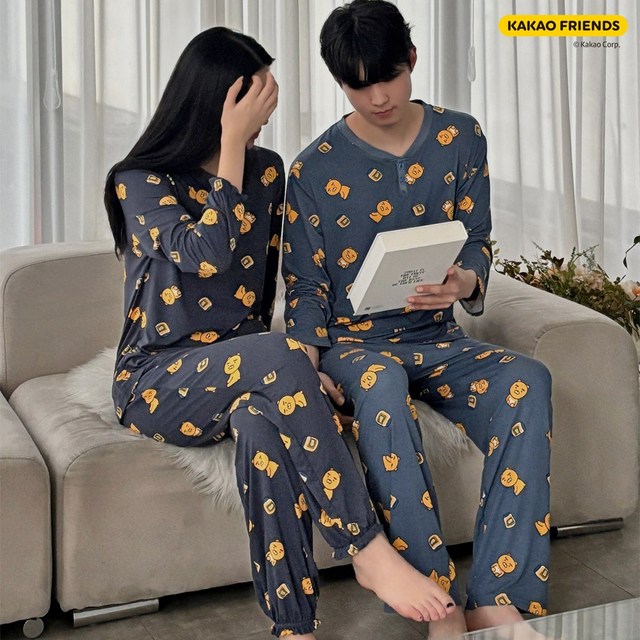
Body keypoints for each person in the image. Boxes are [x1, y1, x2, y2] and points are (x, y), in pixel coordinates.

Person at [104, 26, 456, 640]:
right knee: (276, 360)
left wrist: (297, 371)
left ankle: (294, 626)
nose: (268, 111)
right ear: (221, 102)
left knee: (261, 429)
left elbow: (265, 294)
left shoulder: (267, 173)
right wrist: (231, 144)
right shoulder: (139, 180)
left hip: (247, 366)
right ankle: (367, 549)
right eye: (258, 97)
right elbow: (208, 253)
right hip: (157, 380)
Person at [282, 1, 553, 637]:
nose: (378, 97)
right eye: (358, 85)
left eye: (389, 77)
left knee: (528, 380)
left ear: (412, 58)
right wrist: (306, 367)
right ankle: (439, 602)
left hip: (437, 337)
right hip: (355, 346)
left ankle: (498, 596)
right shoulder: (313, 168)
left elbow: (476, 238)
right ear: (339, 82)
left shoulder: (462, 138)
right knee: (380, 384)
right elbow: (305, 286)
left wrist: (464, 281)